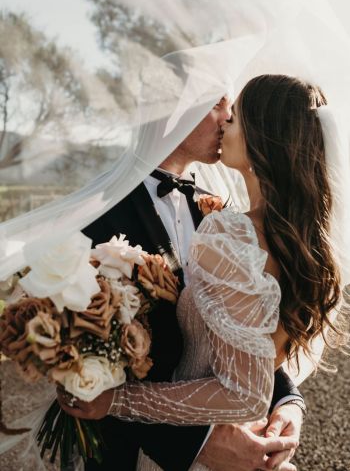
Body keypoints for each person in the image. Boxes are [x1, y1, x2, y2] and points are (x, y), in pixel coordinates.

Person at [59, 90, 305, 471]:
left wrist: (287, 401)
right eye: (216, 104)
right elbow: (79, 371)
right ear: (170, 111)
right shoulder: (98, 213)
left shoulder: (222, 212)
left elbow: (243, 326)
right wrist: (196, 445)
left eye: (231, 108)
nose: (227, 117)